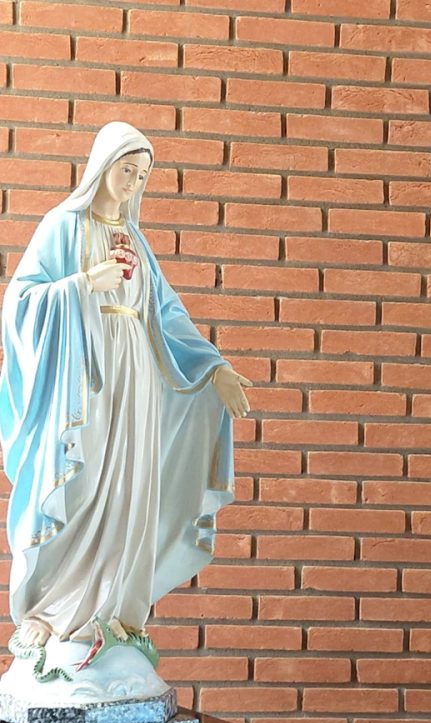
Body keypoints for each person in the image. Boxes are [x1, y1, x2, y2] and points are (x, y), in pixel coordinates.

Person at [0, 122, 250, 676]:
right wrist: (85, 283)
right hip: (81, 383)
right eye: (126, 169)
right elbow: (20, 304)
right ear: (101, 167)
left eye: (142, 175)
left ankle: (110, 613)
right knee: (81, 484)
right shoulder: (63, 225)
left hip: (134, 379)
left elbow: (167, 314)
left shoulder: (136, 240)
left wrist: (214, 368)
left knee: (127, 492)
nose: (133, 182)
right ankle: (51, 611)